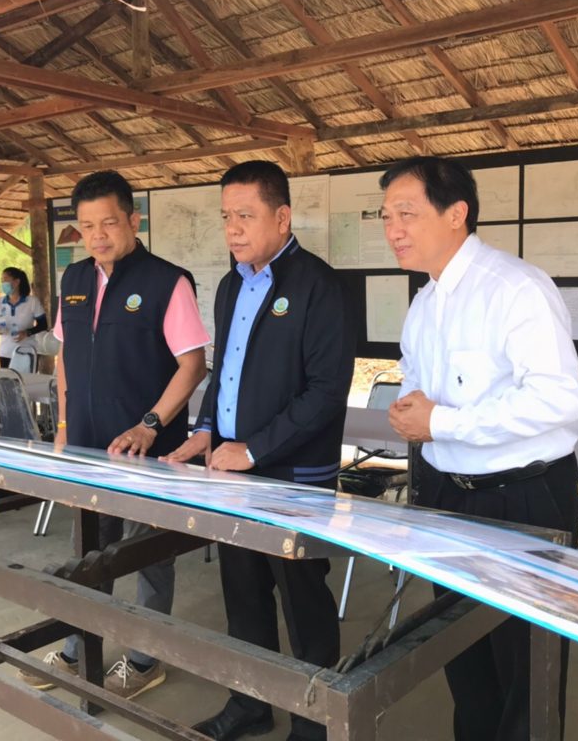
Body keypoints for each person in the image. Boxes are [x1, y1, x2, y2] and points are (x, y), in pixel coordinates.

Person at [380, 156, 578, 741]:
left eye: (407, 213)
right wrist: (412, 412)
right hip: (449, 497)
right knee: (462, 654)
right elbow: (417, 382)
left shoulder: (514, 288)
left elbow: (557, 399)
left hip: (523, 498)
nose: (393, 229)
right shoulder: (424, 303)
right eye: (386, 216)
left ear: (457, 214)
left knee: (526, 664)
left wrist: (442, 422)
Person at [164, 161, 356, 741]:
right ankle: (250, 703)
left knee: (303, 600)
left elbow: (326, 391)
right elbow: (225, 372)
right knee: (243, 594)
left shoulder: (320, 286)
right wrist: (206, 430)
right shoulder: (231, 286)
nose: (233, 228)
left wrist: (255, 450)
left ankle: (314, 724)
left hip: (293, 476)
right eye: (227, 216)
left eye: (246, 215)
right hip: (231, 473)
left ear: (282, 217)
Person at [27, 170, 209, 699]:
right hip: (87, 448)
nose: (98, 235)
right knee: (89, 550)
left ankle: (147, 659)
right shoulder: (74, 279)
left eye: (108, 223)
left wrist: (150, 425)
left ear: (133, 220)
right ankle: (77, 647)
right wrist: (63, 428)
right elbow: (66, 357)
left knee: (148, 555)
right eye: (87, 226)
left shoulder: (167, 282)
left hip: (149, 451)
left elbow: (193, 365)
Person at [0, 267, 47, 368]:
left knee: (26, 378)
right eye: (1, 280)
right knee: (6, 377)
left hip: (27, 351)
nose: (2, 283)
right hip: (6, 352)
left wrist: (27, 333)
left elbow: (43, 325)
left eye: (5, 280)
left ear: (17, 282)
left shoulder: (32, 301)